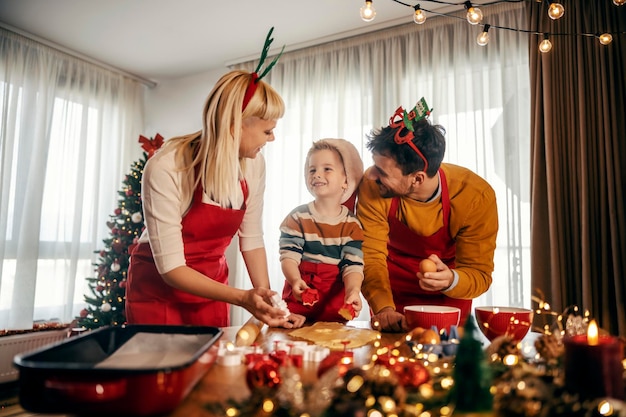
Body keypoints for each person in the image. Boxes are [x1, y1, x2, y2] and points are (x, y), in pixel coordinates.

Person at [125, 28, 305, 329]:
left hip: (212, 290)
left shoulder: (254, 164)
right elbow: (171, 268)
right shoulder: (167, 167)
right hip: (157, 294)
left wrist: (273, 306)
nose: (272, 138)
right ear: (235, 125)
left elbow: (251, 238)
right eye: (266, 130)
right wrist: (241, 297)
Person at [356, 98, 498, 332]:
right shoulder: (373, 187)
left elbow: (479, 274)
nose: (371, 175)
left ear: (417, 178)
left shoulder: (475, 196)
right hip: (389, 296)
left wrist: (451, 279)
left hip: (449, 300)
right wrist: (383, 309)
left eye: (381, 171)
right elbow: (371, 257)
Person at [279, 139, 365, 322]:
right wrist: (295, 281)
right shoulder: (297, 218)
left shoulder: (352, 225)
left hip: (334, 309)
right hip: (298, 304)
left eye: (327, 169)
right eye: (312, 170)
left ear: (346, 180)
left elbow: (353, 265)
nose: (317, 174)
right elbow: (289, 257)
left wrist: (353, 291)